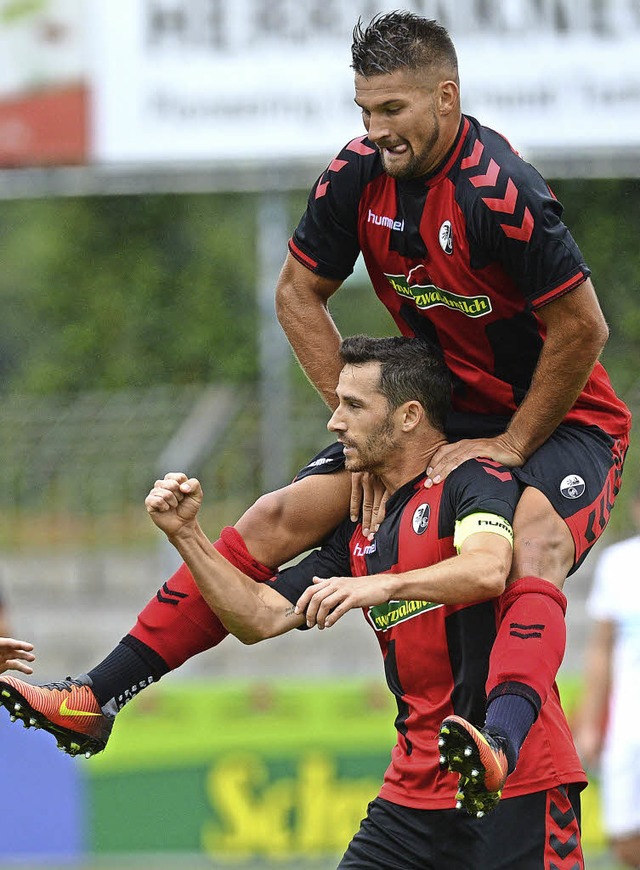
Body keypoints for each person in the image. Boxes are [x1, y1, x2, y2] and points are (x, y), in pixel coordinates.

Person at [0, 11, 630, 814]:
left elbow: (585, 329)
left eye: (393, 110)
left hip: (565, 421)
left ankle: (501, 745)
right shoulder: (355, 177)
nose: (376, 130)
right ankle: (97, 696)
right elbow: (298, 293)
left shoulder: (500, 195)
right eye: (365, 110)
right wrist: (368, 431)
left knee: (532, 540)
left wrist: (510, 443)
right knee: (276, 514)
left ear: (447, 96)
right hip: (433, 415)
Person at [144, 335, 586, 869]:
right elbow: (257, 616)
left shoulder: (474, 479)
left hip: (518, 784)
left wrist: (382, 585)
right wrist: (187, 536)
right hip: (411, 798)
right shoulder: (362, 526)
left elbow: (489, 567)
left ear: (408, 417)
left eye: (353, 405)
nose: (335, 421)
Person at [572, 485, 640, 869]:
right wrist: (591, 727)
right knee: (624, 835)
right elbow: (601, 649)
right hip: (629, 724)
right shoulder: (618, 564)